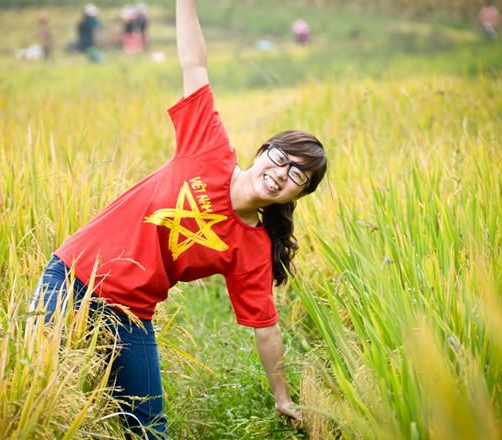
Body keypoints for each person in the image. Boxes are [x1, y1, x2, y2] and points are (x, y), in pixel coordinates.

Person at [31, 0, 327, 437]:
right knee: (34, 399)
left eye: (297, 175)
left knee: (149, 430)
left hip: (129, 314)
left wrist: (283, 397)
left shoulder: (253, 248)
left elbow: (266, 329)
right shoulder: (209, 147)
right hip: (70, 277)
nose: (281, 173)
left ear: (299, 193)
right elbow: (194, 63)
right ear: (264, 151)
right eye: (281, 158)